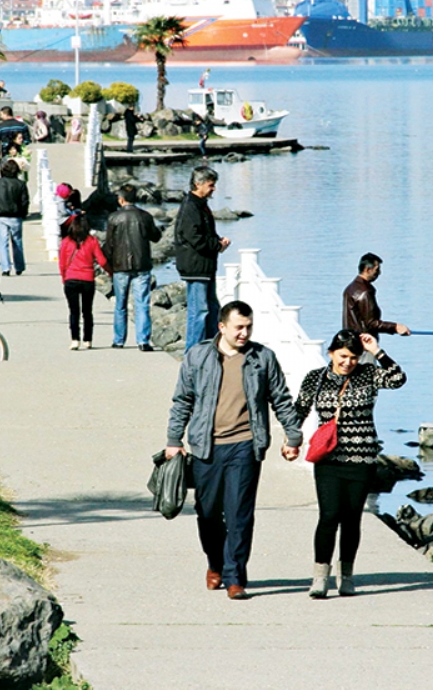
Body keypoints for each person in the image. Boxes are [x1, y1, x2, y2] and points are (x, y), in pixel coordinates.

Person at [166, 300, 303, 600]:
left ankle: (234, 577)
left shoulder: (262, 358)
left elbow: (280, 398)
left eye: (249, 327)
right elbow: (183, 400)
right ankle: (215, 563)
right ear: (222, 327)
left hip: (245, 446)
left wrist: (293, 436)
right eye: (239, 327)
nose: (244, 333)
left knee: (239, 514)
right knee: (207, 513)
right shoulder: (198, 355)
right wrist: (174, 440)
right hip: (206, 447)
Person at [294, 329, 406, 598]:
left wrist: (376, 351)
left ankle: (346, 576)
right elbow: (300, 409)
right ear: (331, 353)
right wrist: (292, 440)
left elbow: (398, 379)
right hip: (328, 458)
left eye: (354, 357)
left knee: (352, 519)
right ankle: (320, 577)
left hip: (362, 459)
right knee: (329, 516)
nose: (348, 362)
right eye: (343, 356)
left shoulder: (368, 374)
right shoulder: (316, 378)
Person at [175, 165, 230, 352]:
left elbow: (204, 233)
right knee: (199, 311)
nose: (213, 188)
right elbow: (194, 238)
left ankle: (210, 349)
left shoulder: (200, 205)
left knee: (212, 309)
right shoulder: (191, 206)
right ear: (198, 184)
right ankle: (193, 352)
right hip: (196, 266)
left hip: (204, 266)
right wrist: (217, 245)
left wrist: (217, 242)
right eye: (210, 185)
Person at [102, 183, 162, 351]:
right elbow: (155, 237)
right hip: (142, 264)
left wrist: (107, 263)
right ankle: (143, 341)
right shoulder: (145, 216)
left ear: (121, 200)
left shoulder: (114, 218)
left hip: (120, 265)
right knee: (142, 304)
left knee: (120, 305)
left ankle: (119, 340)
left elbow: (109, 244)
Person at [58, 213, 109, 350]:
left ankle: (75, 339)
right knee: (87, 311)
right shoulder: (92, 241)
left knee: (73, 311)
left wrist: (64, 278)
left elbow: (62, 263)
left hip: (71, 278)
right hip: (87, 279)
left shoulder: (66, 242)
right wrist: (110, 272)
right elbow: (102, 260)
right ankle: (88, 339)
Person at [343, 253, 411, 341]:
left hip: (351, 342)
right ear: (368, 269)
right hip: (364, 343)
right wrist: (396, 327)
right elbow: (372, 323)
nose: (379, 273)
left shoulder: (350, 288)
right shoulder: (365, 292)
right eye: (377, 270)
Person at [0, 159, 30, 276]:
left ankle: (5, 268)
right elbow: (24, 201)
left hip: (0, 215)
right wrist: (24, 213)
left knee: (3, 243)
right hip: (16, 216)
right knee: (17, 241)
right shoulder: (21, 184)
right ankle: (19, 266)